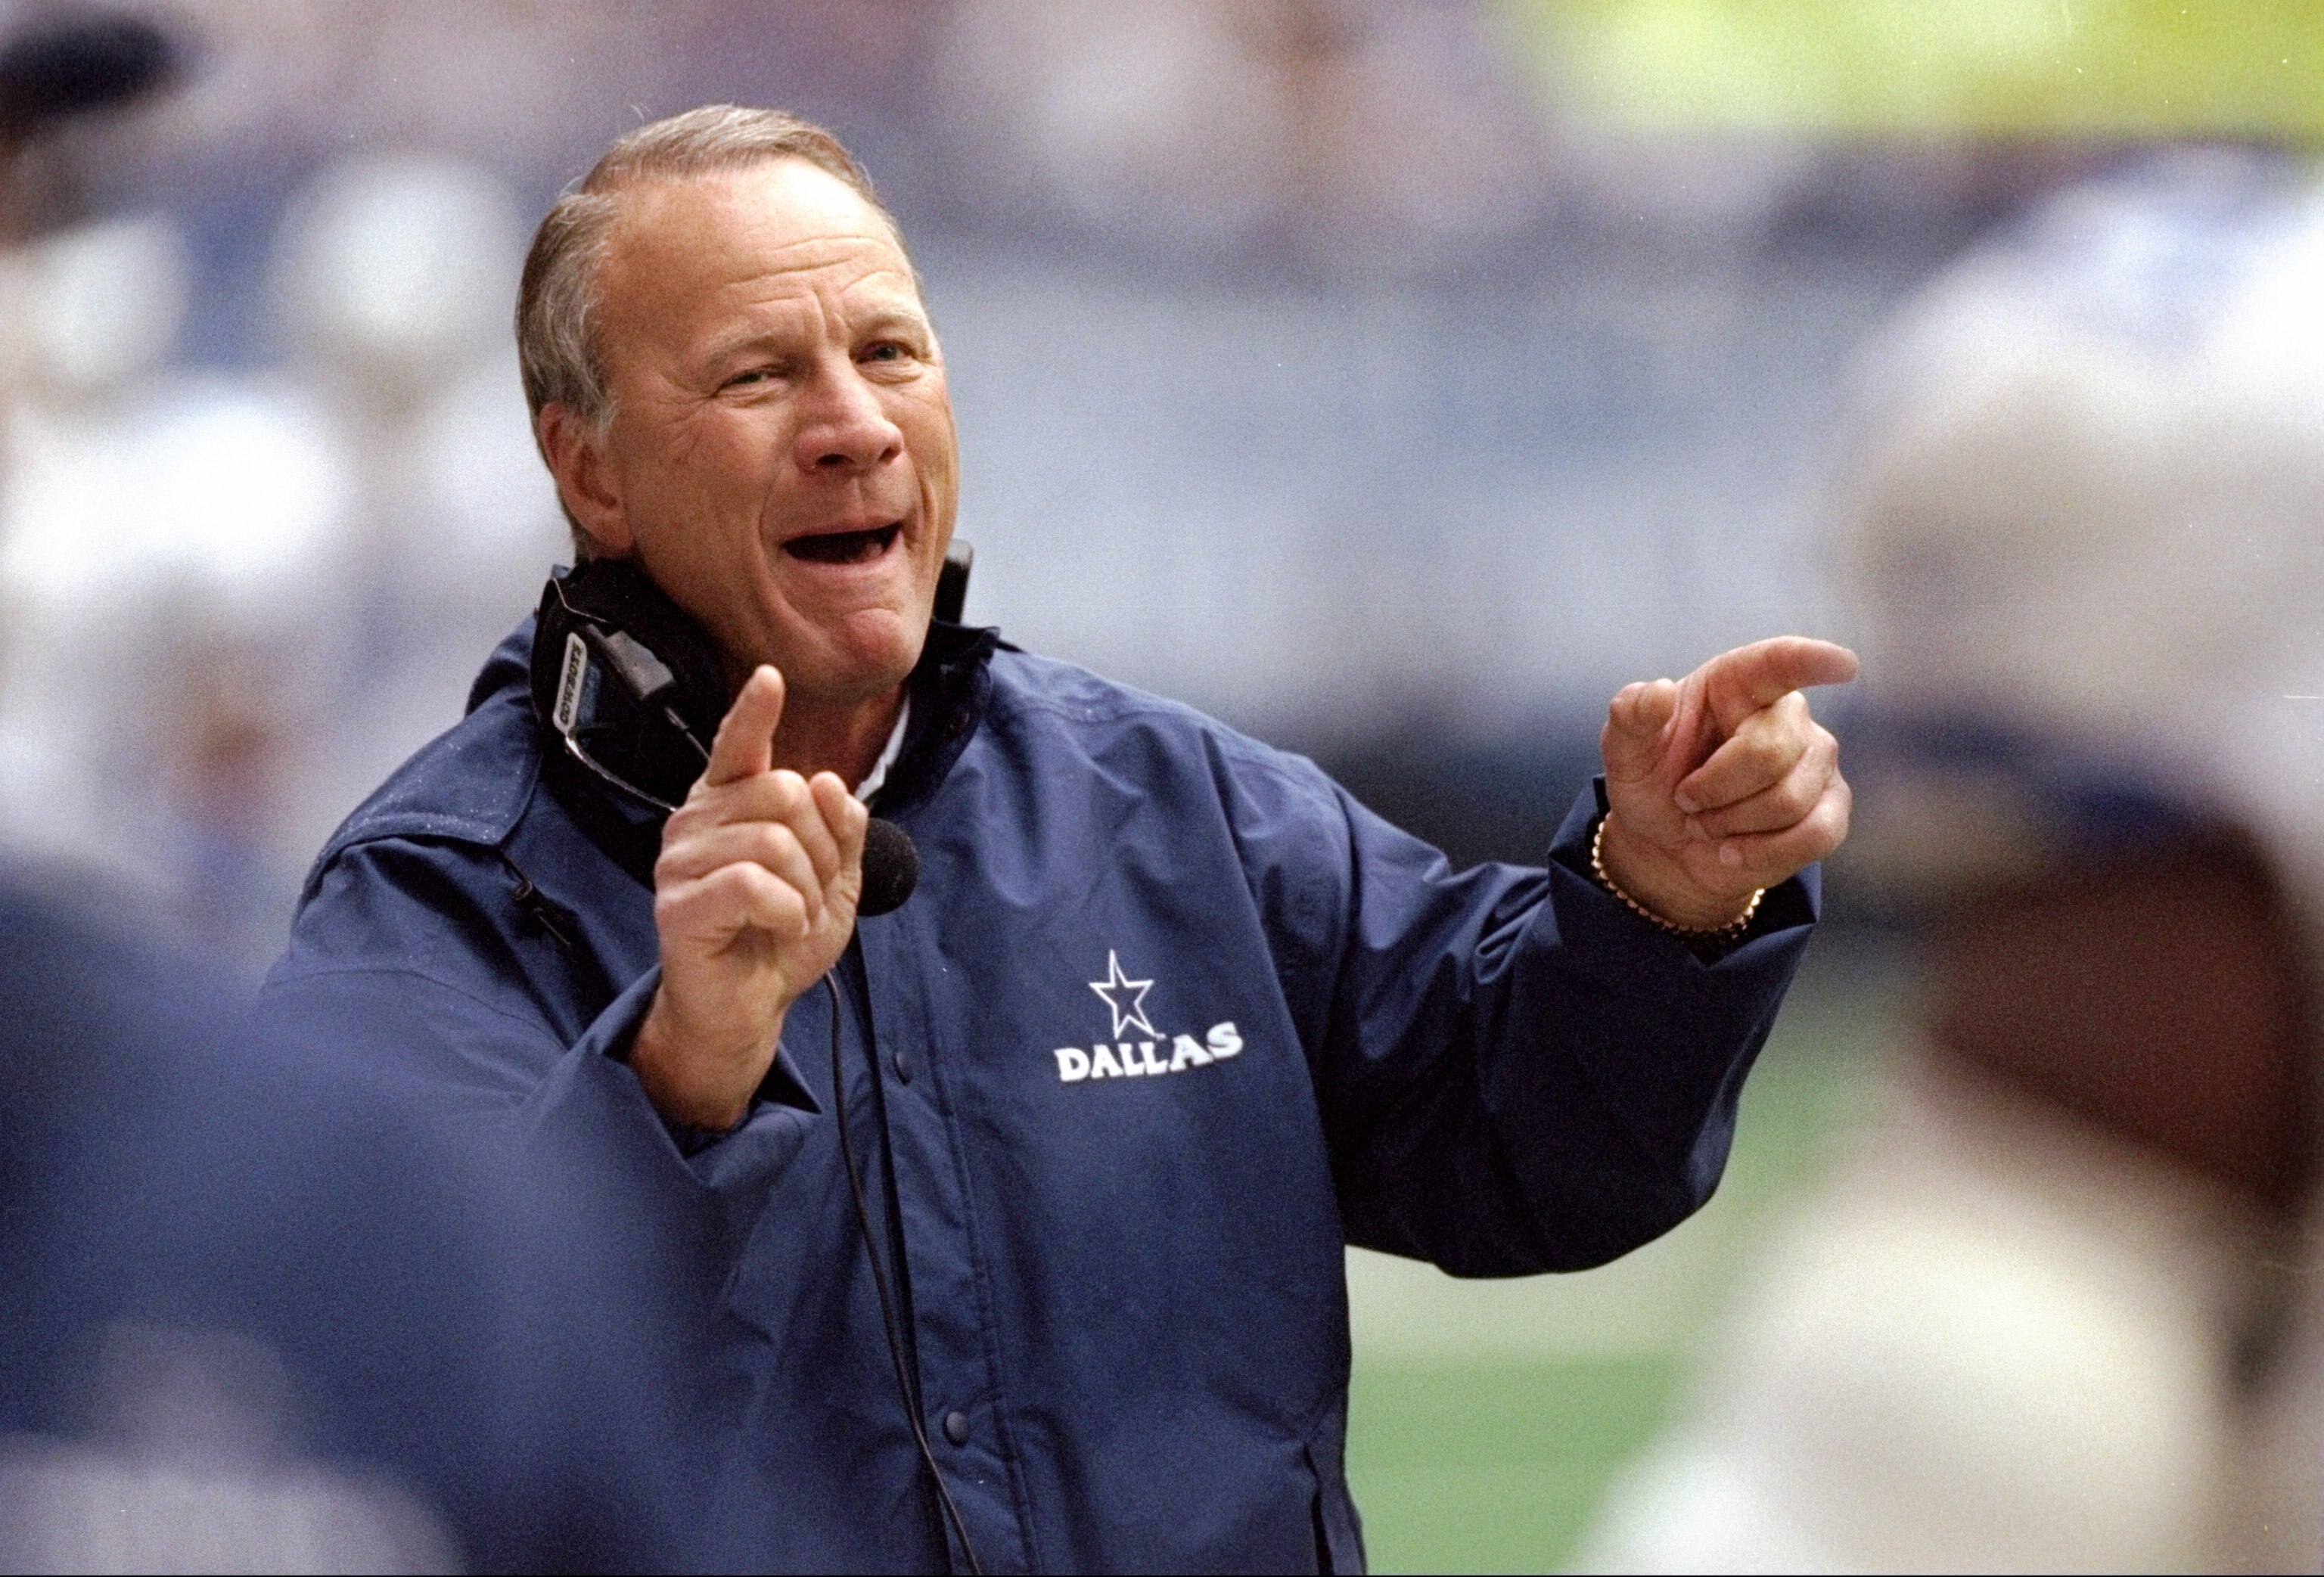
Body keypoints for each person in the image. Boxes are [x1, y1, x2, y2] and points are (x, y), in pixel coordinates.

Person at [263, 104, 1854, 1572]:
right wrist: (679, 1074)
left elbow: (1536, 1150)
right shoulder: (446, 891)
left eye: (889, 351)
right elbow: (375, 1402)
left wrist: (1659, 897)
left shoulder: (1178, 810)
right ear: (587, 468)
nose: (852, 425)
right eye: (759, 375)